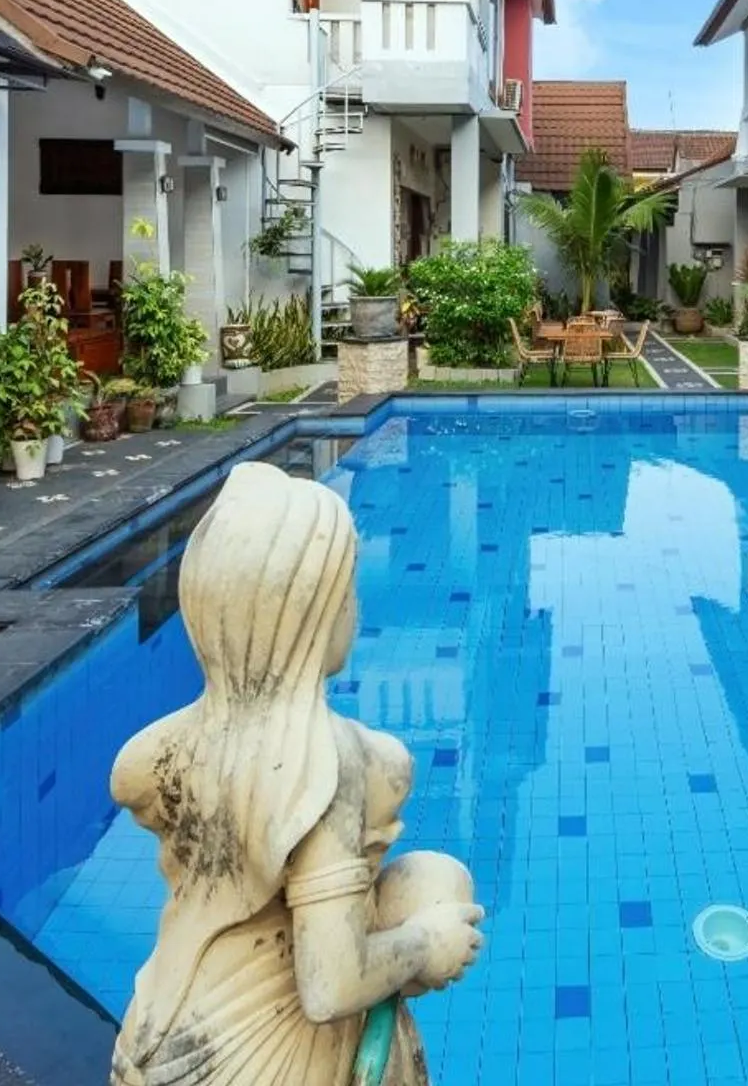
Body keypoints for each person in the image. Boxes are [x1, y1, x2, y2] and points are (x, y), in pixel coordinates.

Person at [110, 462, 484, 1086]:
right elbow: (330, 985)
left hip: (153, 1037)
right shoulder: (327, 766)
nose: (355, 608)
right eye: (348, 593)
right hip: (264, 1058)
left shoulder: (166, 746)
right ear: (311, 614)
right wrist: (426, 940)